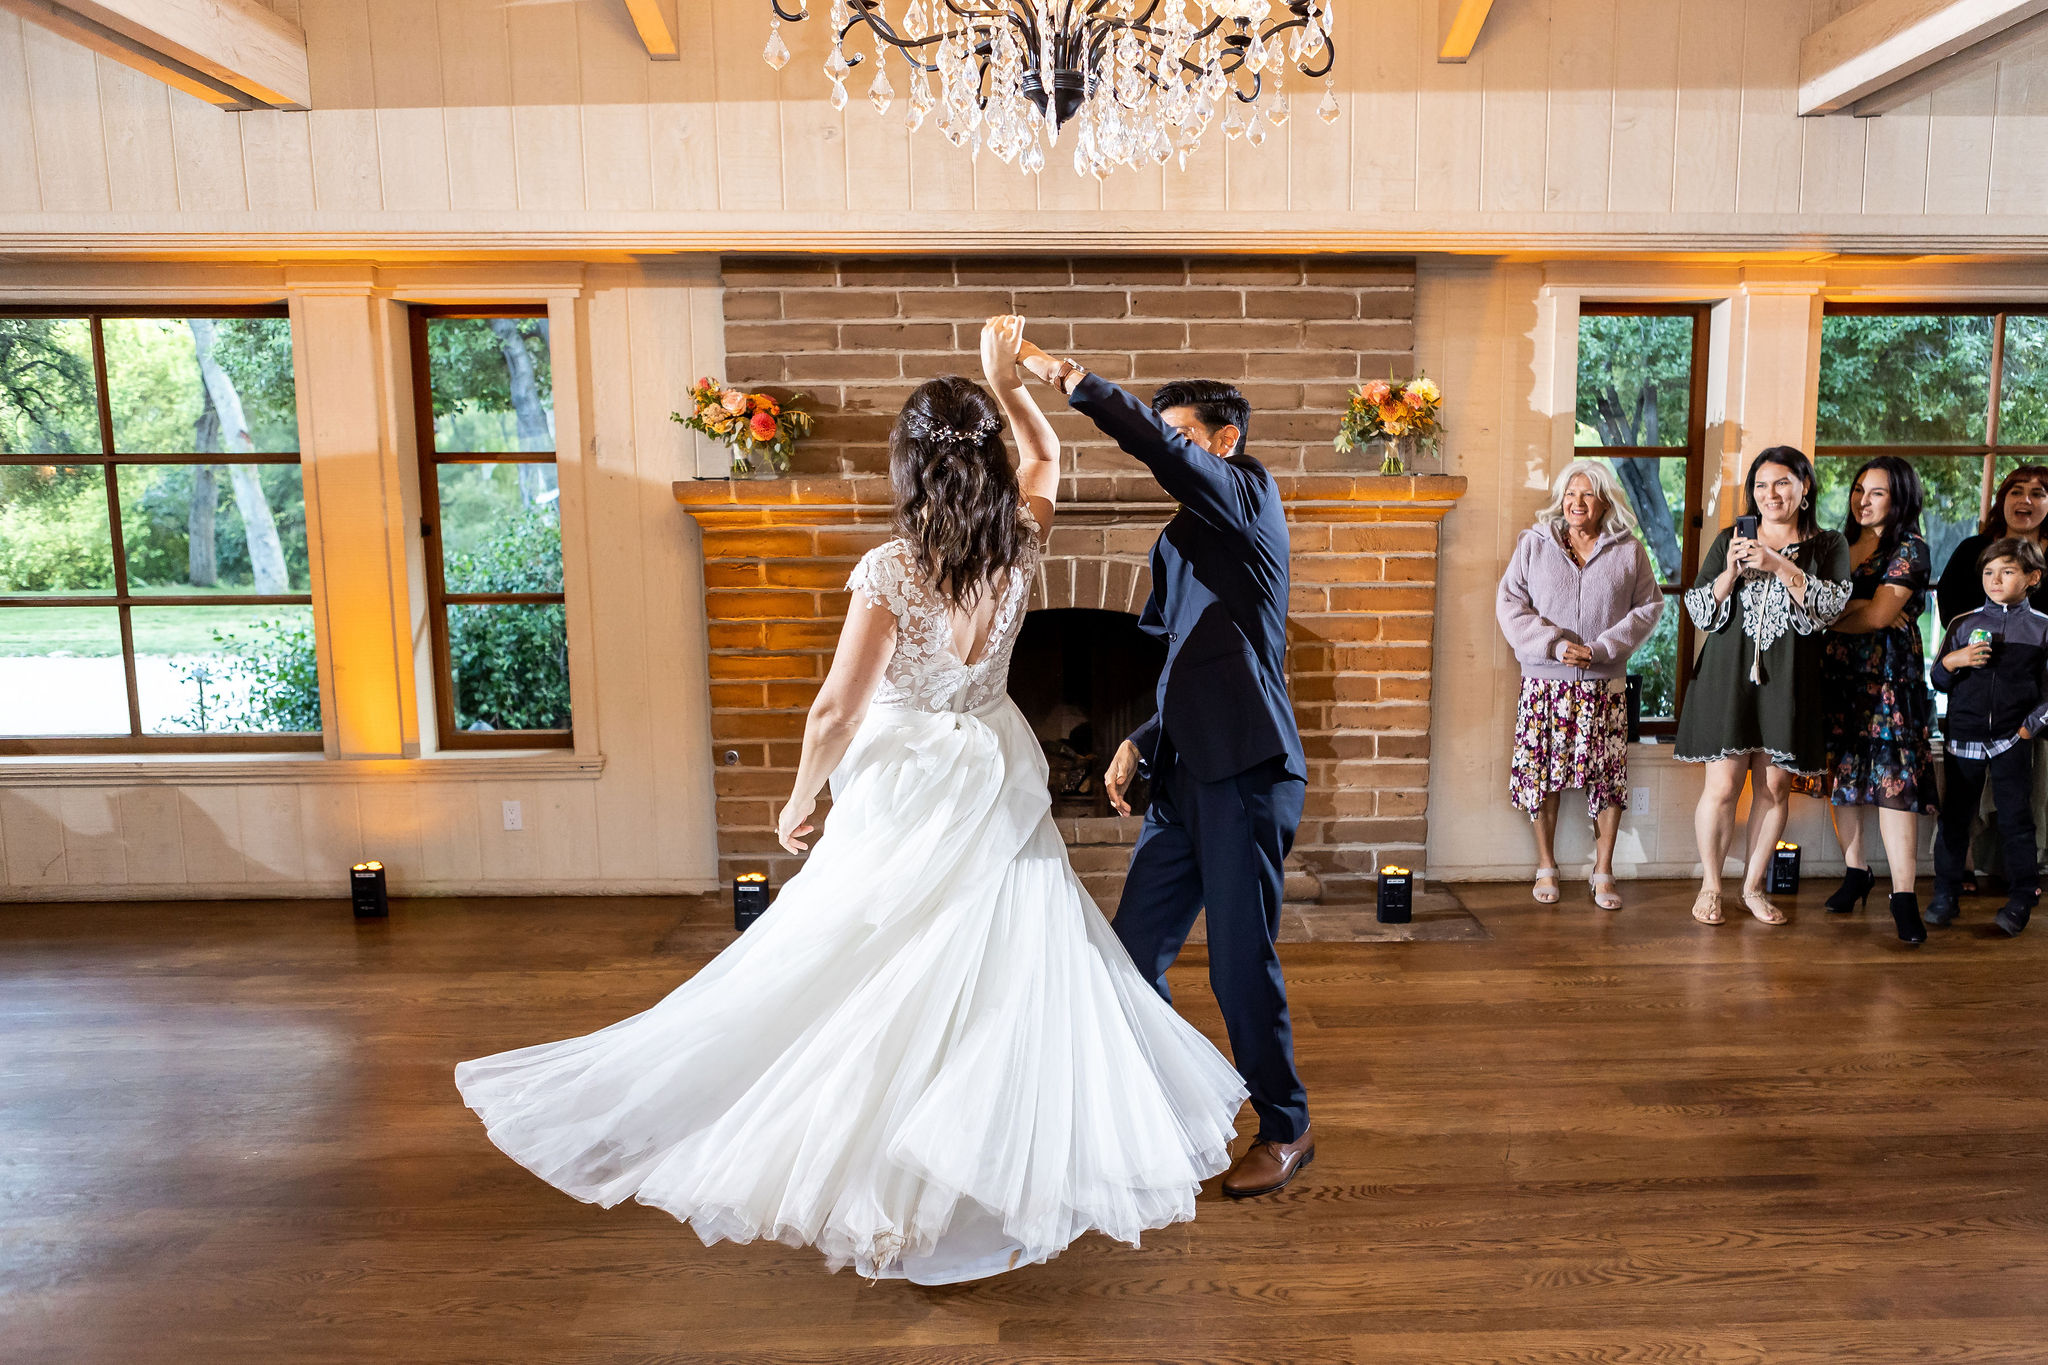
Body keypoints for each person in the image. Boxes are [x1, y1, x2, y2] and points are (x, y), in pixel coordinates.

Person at [454, 318, 1249, 1285]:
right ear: (986, 457)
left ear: (909, 466)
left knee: (865, 964)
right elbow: (1042, 452)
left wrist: (798, 799)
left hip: (909, 784)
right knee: (997, 963)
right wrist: (1010, 385)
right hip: (993, 773)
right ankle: (969, 1167)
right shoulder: (1020, 544)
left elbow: (837, 707)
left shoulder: (892, 568)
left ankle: (885, 1182)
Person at [1008, 326, 1314, 1200]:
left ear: (1224, 442)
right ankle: (1165, 1108)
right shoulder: (1177, 543)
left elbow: (1156, 446)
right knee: (1131, 955)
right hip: (1184, 770)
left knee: (1236, 963)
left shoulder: (1250, 496)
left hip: (1250, 768)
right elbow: (1191, 656)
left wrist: (1066, 375)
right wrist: (1142, 736)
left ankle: (1287, 1125)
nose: (1170, 452)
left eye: (1183, 438)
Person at [1675, 447, 1853, 928]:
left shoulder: (1829, 546)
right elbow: (1699, 612)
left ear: (1805, 487)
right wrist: (1731, 571)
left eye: (1781, 483)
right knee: (1723, 785)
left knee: (1775, 786)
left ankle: (1751, 887)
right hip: (1728, 676)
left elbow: (1829, 608)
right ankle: (1711, 885)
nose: (1770, 494)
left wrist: (1778, 564)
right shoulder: (1729, 539)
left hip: (1790, 680)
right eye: (1760, 485)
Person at [1495, 459, 1664, 910]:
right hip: (1544, 687)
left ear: (1605, 500)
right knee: (1542, 777)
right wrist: (1553, 646)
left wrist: (1603, 648)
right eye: (1571, 494)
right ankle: (1546, 865)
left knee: (1607, 780)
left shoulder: (1629, 551)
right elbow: (1510, 604)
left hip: (1603, 687)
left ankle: (1603, 871)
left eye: (1587, 494)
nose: (1577, 502)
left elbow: (1649, 607)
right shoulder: (1533, 544)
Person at [1807, 456, 1938, 943]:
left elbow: (1881, 616)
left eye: (1876, 492)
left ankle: (1904, 895)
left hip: (1888, 678)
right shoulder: (1835, 544)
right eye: (1859, 489)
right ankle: (1855, 871)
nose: (1863, 499)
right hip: (1836, 674)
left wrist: (1836, 613)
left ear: (1900, 497)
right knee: (1842, 773)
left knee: (1893, 783)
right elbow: (1809, 603)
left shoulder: (1911, 547)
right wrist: (1855, 609)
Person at [1929, 536, 2048, 938]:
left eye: (2008, 571)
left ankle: (2020, 899)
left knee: (2016, 821)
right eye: (1988, 572)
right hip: (1963, 737)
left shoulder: (2042, 628)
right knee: (1954, 820)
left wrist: (2028, 727)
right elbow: (1938, 679)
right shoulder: (1962, 624)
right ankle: (1945, 893)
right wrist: (1953, 660)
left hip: (2012, 740)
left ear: (2033, 577)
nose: (1995, 579)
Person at [1935, 463, 2048, 626]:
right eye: (2016, 492)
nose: (2025, 500)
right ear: (2003, 500)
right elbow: (1950, 606)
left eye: (2037, 494)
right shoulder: (1971, 549)